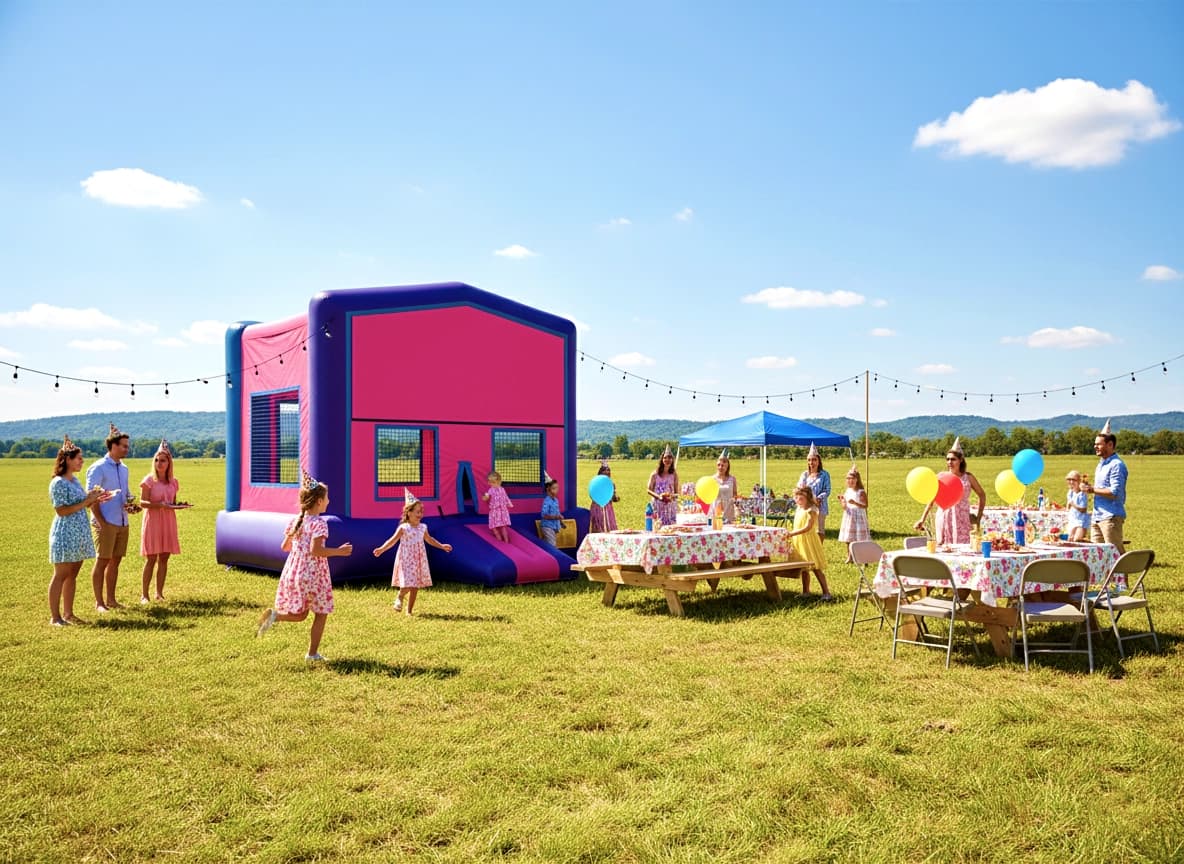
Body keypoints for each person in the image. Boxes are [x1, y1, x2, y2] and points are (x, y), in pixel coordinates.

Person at [256, 469, 353, 661]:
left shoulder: (296, 521)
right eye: (327, 498)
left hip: (294, 571)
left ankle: (275, 616)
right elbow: (316, 551)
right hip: (313, 574)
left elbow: (284, 546)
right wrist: (339, 551)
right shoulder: (320, 523)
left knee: (300, 615)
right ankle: (312, 653)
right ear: (319, 501)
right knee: (321, 613)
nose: (329, 501)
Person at [48, 434, 110, 626]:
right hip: (65, 532)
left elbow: (80, 504)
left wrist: (94, 498)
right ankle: (55, 617)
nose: (82, 462)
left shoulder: (74, 481)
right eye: (79, 458)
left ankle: (68, 613)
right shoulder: (58, 482)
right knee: (61, 574)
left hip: (79, 532)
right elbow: (61, 510)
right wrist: (86, 500)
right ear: (67, 460)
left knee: (73, 573)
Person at [373, 489, 452, 615]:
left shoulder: (423, 527)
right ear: (408, 513)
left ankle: (409, 611)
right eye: (417, 512)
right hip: (406, 559)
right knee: (407, 583)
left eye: (421, 512)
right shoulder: (403, 528)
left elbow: (429, 540)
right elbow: (392, 540)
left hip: (419, 560)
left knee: (415, 587)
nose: (420, 514)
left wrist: (441, 546)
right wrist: (382, 549)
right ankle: (400, 596)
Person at [87, 422, 133, 612]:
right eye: (124, 446)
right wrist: (102, 522)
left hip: (122, 521)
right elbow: (91, 497)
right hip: (105, 522)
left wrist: (131, 504)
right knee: (102, 560)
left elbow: (126, 493)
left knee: (116, 561)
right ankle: (99, 603)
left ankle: (111, 600)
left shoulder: (124, 468)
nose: (126, 449)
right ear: (113, 446)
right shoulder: (98, 468)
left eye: (127, 446)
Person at [138, 439, 186, 604]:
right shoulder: (149, 480)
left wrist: (177, 506)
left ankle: (159, 593)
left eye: (163, 460)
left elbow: (172, 501)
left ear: (169, 463)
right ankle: (144, 594)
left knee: (164, 558)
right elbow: (142, 502)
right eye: (157, 460)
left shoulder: (174, 482)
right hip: (152, 521)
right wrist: (159, 505)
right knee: (151, 558)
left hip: (168, 521)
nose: (159, 463)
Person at [913, 437, 986, 544]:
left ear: (960, 460)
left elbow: (982, 495)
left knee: (964, 547)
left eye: (953, 459)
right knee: (943, 547)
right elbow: (932, 499)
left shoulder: (968, 477)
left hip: (962, 518)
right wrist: (922, 519)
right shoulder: (941, 477)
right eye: (947, 459)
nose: (949, 462)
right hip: (944, 517)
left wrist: (978, 517)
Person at [1083, 419, 1127, 548]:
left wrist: (1091, 490)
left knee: (1115, 554)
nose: (1095, 447)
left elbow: (1115, 492)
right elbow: (1101, 488)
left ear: (1110, 445)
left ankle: (1124, 569)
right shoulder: (1101, 464)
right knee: (1097, 555)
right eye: (1095, 444)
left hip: (1110, 516)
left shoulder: (1116, 465)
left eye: (1099, 444)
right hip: (1097, 516)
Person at [788, 485, 832, 600]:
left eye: (801, 498)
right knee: (803, 568)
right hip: (799, 541)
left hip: (809, 541)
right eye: (796, 498)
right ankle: (806, 591)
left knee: (815, 567)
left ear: (807, 497)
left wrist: (792, 533)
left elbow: (808, 527)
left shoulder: (811, 510)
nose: (798, 500)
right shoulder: (799, 508)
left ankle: (826, 592)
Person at [797, 443, 831, 538]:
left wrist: (818, 499)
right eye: (809, 460)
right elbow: (800, 487)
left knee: (819, 529)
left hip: (820, 504)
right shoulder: (805, 474)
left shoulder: (824, 475)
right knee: (806, 527)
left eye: (814, 460)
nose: (812, 462)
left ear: (819, 461)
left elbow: (827, 490)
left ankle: (819, 549)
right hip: (806, 504)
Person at [837, 465, 870, 563]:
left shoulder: (861, 492)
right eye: (848, 479)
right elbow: (844, 506)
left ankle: (862, 557)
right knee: (849, 537)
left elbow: (865, 505)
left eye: (852, 478)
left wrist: (855, 503)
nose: (850, 481)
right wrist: (842, 501)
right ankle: (850, 556)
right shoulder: (848, 491)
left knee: (859, 537)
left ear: (857, 480)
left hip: (858, 516)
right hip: (849, 515)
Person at [646, 445, 679, 527]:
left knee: (670, 529)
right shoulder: (655, 474)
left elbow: (677, 493)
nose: (667, 460)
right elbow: (649, 490)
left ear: (672, 460)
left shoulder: (674, 474)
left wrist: (671, 497)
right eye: (665, 458)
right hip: (657, 506)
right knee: (657, 527)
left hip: (670, 508)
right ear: (662, 459)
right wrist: (659, 497)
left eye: (669, 458)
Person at [708, 450, 739, 525]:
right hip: (715, 511)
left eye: (723, 465)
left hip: (728, 512)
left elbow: (735, 495)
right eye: (719, 465)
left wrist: (737, 506)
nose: (720, 467)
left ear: (727, 466)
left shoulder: (732, 479)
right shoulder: (712, 479)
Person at [588, 460, 619, 533]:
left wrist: (616, 498)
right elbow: (592, 495)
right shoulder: (596, 483)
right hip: (597, 507)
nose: (607, 472)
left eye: (608, 470)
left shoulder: (611, 484)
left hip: (608, 508)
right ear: (600, 472)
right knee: (598, 526)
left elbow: (613, 497)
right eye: (605, 470)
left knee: (610, 525)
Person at [483, 470, 513, 543]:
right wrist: (485, 497)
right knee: (493, 527)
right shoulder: (490, 490)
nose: (492, 484)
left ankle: (506, 541)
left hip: (502, 510)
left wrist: (509, 503)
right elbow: (486, 498)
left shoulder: (502, 489)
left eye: (494, 482)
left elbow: (506, 497)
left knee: (503, 526)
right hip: (494, 511)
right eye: (490, 482)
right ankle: (499, 541)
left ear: (499, 482)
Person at [1064, 469, 1091, 542]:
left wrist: (1072, 504)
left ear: (1079, 481)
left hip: (1081, 520)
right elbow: (1068, 506)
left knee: (1077, 539)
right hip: (1072, 519)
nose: (1071, 482)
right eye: (1069, 479)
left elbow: (1083, 509)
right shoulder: (1070, 492)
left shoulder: (1082, 494)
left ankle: (1090, 544)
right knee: (1070, 539)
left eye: (1074, 480)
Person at [539, 475, 563, 547]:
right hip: (547, 526)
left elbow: (557, 511)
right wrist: (555, 517)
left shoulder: (556, 500)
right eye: (554, 488)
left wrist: (560, 521)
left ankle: (542, 548)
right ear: (548, 489)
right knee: (552, 544)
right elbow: (544, 515)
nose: (557, 490)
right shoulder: (547, 501)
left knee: (548, 543)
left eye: (557, 488)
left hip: (554, 526)